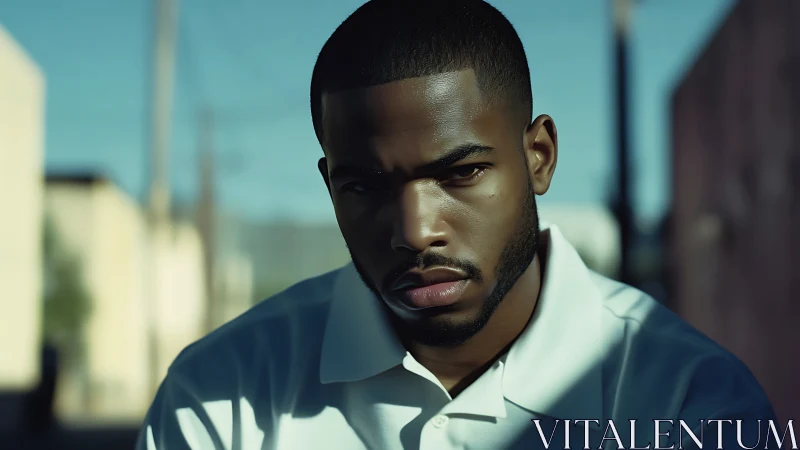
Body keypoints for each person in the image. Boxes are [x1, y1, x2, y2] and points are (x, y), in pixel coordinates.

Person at [136, 1, 779, 449]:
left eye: (461, 174)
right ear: (332, 187)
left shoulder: (691, 400)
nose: (415, 232)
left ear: (539, 158)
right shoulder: (221, 396)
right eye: (365, 186)